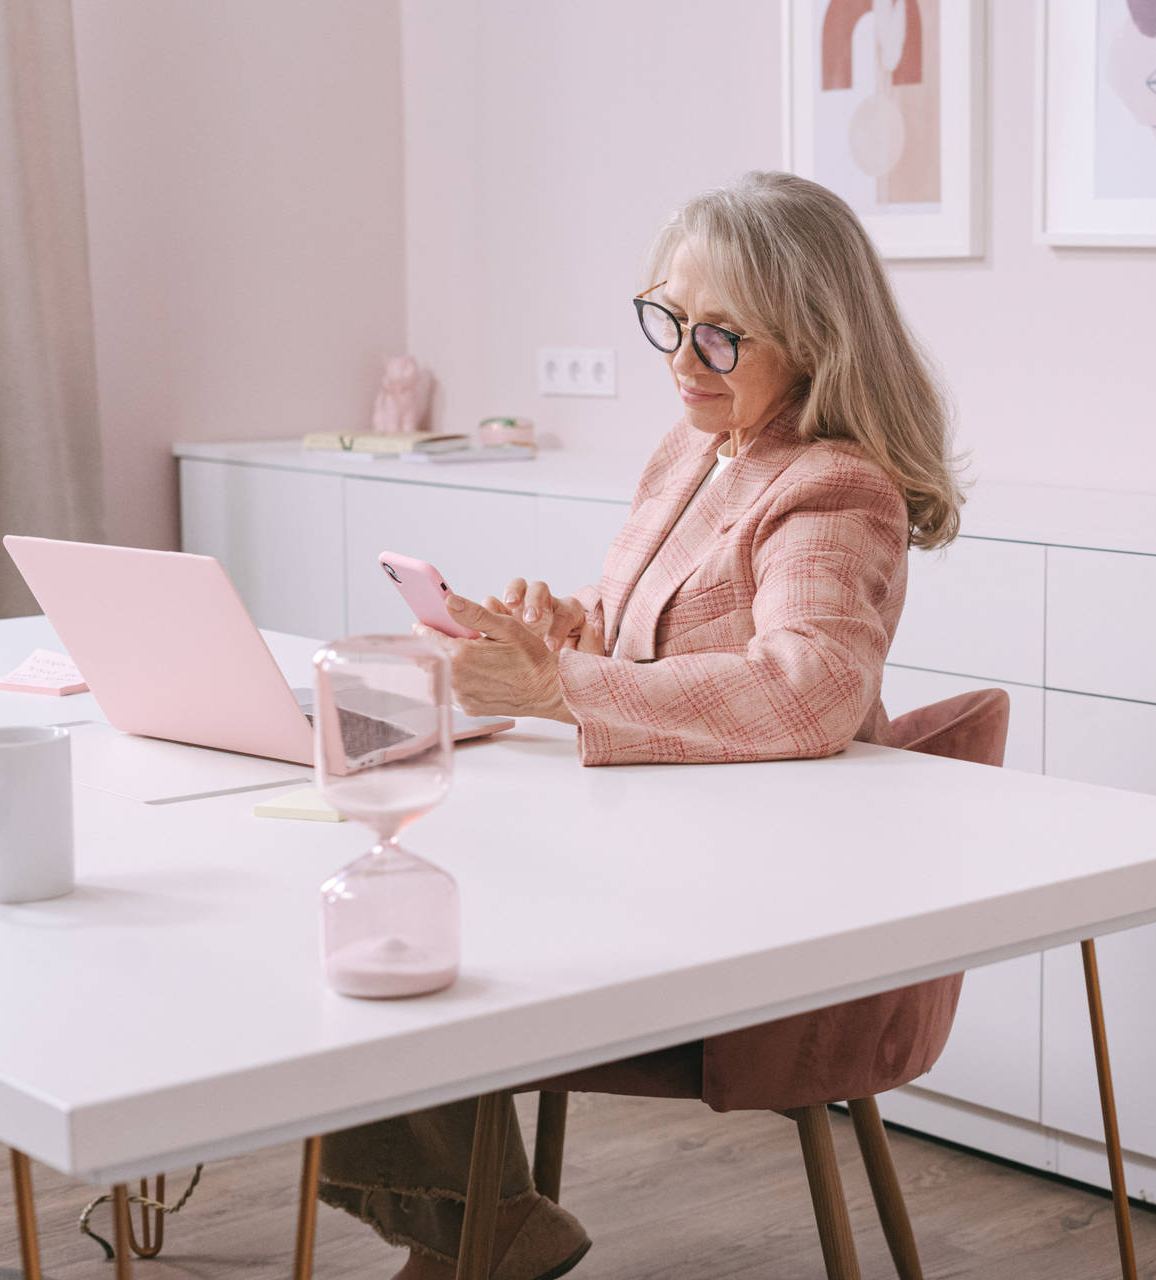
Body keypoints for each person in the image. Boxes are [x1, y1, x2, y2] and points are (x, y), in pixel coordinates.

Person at [318, 170, 963, 1280]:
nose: (679, 358)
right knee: (381, 891)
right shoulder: (692, 450)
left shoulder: (833, 487)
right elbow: (648, 632)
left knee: (405, 910)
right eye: (667, 316)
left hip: (755, 903)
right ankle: (470, 1220)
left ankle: (477, 1226)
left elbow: (806, 687)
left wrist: (559, 687)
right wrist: (555, 631)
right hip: (659, 839)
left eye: (720, 336)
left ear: (813, 340)